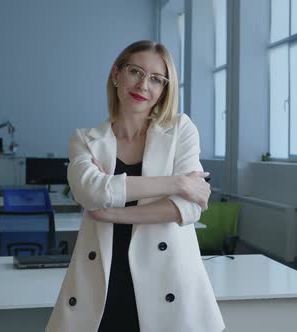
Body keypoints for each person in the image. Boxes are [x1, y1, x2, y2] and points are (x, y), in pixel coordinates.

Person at [46, 40, 225, 332]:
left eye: (156, 79)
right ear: (116, 74)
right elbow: (90, 192)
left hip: (168, 281)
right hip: (103, 278)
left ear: (164, 90)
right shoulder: (85, 139)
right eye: (135, 72)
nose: (144, 85)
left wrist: (113, 213)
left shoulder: (180, 130)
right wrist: (178, 182)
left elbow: (189, 207)